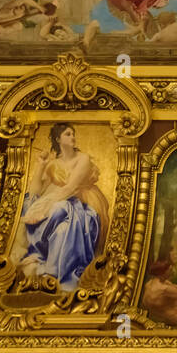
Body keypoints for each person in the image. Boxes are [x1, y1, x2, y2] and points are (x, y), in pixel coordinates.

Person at [19, 123, 109, 291]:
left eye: (73, 134)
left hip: (79, 204)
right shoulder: (53, 163)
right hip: (57, 204)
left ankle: (59, 277)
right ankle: (48, 268)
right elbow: (35, 191)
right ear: (58, 138)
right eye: (68, 134)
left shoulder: (83, 159)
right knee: (53, 220)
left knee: (61, 210)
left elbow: (71, 188)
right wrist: (41, 165)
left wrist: (45, 208)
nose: (73, 137)